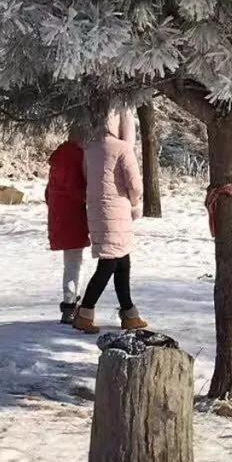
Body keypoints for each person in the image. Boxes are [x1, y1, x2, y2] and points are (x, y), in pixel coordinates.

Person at [72, 108, 148, 333]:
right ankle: (85, 312)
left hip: (97, 210)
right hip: (118, 212)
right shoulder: (123, 148)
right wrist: (134, 202)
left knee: (122, 262)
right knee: (109, 263)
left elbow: (87, 177)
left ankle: (129, 312)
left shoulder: (89, 149)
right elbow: (135, 185)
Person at [45, 125, 91, 324]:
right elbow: (81, 189)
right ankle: (71, 304)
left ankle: (70, 302)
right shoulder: (81, 156)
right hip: (76, 214)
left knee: (70, 261)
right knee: (75, 262)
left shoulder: (58, 157)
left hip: (58, 214)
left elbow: (48, 192)